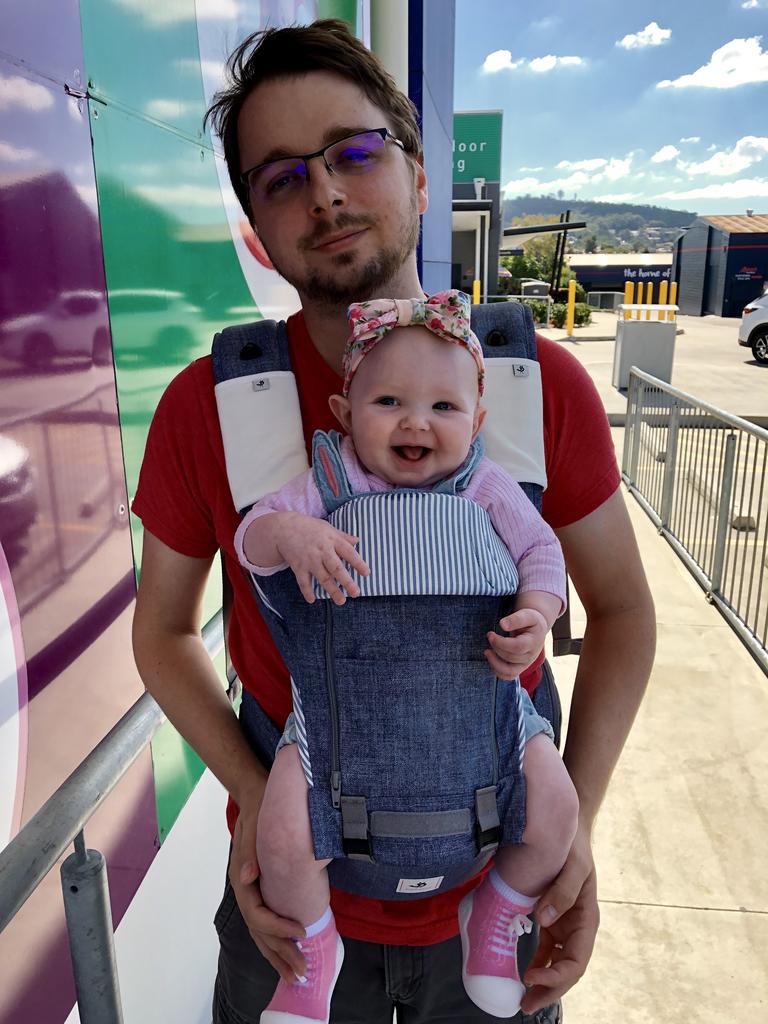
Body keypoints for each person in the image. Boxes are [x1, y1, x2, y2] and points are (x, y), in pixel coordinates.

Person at [131, 19, 656, 1024]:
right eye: (282, 177)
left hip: (492, 900)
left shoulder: (536, 386)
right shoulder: (213, 406)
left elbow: (623, 612)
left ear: (419, 175)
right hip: (293, 911)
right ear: (256, 227)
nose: (325, 193)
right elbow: (162, 632)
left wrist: (574, 826)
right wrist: (256, 805)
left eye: (355, 152)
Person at [235, 291, 577, 1021]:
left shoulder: (486, 487)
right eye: (388, 401)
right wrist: (290, 534)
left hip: (485, 714)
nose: (416, 422)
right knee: (283, 835)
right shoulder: (326, 485)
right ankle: (313, 950)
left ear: (477, 423)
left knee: (557, 805)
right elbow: (250, 540)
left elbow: (542, 553)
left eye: (444, 407)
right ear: (344, 413)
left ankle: (499, 908)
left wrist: (539, 613)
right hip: (338, 722)